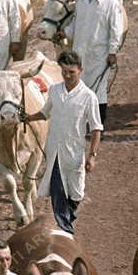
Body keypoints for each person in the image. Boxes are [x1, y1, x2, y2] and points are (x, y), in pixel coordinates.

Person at [23, 50, 103, 234]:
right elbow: (45, 112)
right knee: (57, 189)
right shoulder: (54, 90)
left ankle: (66, 222)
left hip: (75, 152)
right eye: (64, 72)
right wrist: (28, 117)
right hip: (55, 150)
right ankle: (65, 230)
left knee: (76, 193)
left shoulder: (89, 97)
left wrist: (92, 156)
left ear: (80, 70)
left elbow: (96, 128)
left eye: (71, 72)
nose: (67, 76)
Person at [63, 0, 123, 125]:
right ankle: (80, 123)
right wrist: (65, 33)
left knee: (99, 90)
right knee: (79, 87)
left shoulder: (111, 3)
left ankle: (98, 125)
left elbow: (116, 29)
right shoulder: (81, 0)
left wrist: (112, 52)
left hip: (100, 54)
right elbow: (77, 23)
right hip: (79, 53)